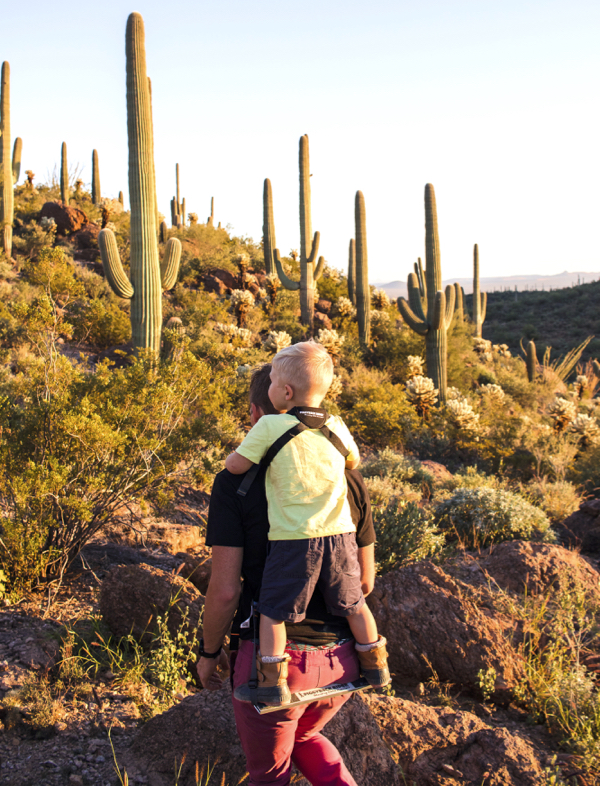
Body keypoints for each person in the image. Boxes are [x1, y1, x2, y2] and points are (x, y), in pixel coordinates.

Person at [197, 362, 378, 786]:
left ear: (262, 415)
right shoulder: (347, 478)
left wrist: (208, 653)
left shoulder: (234, 483)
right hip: (342, 660)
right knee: (308, 734)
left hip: (273, 663)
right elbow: (364, 582)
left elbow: (224, 591)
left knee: (270, 772)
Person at [224, 342, 388, 707]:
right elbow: (353, 461)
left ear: (284, 392)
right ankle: (375, 664)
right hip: (341, 535)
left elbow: (237, 466)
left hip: (294, 539)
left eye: (273, 384)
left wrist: (229, 458)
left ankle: (271, 682)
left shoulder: (269, 424)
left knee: (274, 611)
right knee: (355, 603)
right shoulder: (337, 425)